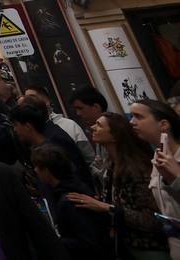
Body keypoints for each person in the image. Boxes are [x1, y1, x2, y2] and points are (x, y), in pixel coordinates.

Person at [67, 111, 169, 259]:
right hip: (127, 244)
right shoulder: (111, 164)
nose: (92, 127)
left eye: (99, 125)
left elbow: (151, 219)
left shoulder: (136, 169)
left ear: (115, 136)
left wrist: (106, 207)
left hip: (149, 246)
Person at [30, 143, 110, 260]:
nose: (35, 170)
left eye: (37, 167)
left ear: (46, 171)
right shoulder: (75, 185)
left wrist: (56, 240)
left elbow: (87, 241)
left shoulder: (69, 200)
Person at [130, 99, 180, 258]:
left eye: (139, 117)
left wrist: (176, 177)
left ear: (163, 124)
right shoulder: (157, 159)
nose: (132, 122)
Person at [9, 101, 93, 185]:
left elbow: (75, 177)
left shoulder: (56, 142)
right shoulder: (38, 145)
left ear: (28, 126)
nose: (15, 130)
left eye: (16, 125)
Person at [22, 86, 92, 164]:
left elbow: (89, 157)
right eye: (26, 99)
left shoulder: (69, 125)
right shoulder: (31, 130)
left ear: (46, 101)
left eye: (32, 98)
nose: (28, 103)